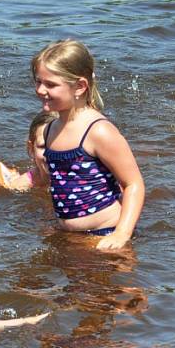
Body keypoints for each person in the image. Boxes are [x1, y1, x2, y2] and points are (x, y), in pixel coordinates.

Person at [31, 39, 145, 250]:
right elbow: (58, 178)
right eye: (38, 81)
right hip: (69, 237)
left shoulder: (97, 131)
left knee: (120, 284)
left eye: (50, 84)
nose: (40, 90)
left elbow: (134, 184)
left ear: (80, 86)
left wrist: (122, 234)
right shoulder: (49, 130)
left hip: (106, 233)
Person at [0, 110, 57, 191]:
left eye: (58, 145)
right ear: (31, 149)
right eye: (42, 146)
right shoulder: (20, 186)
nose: (50, 154)